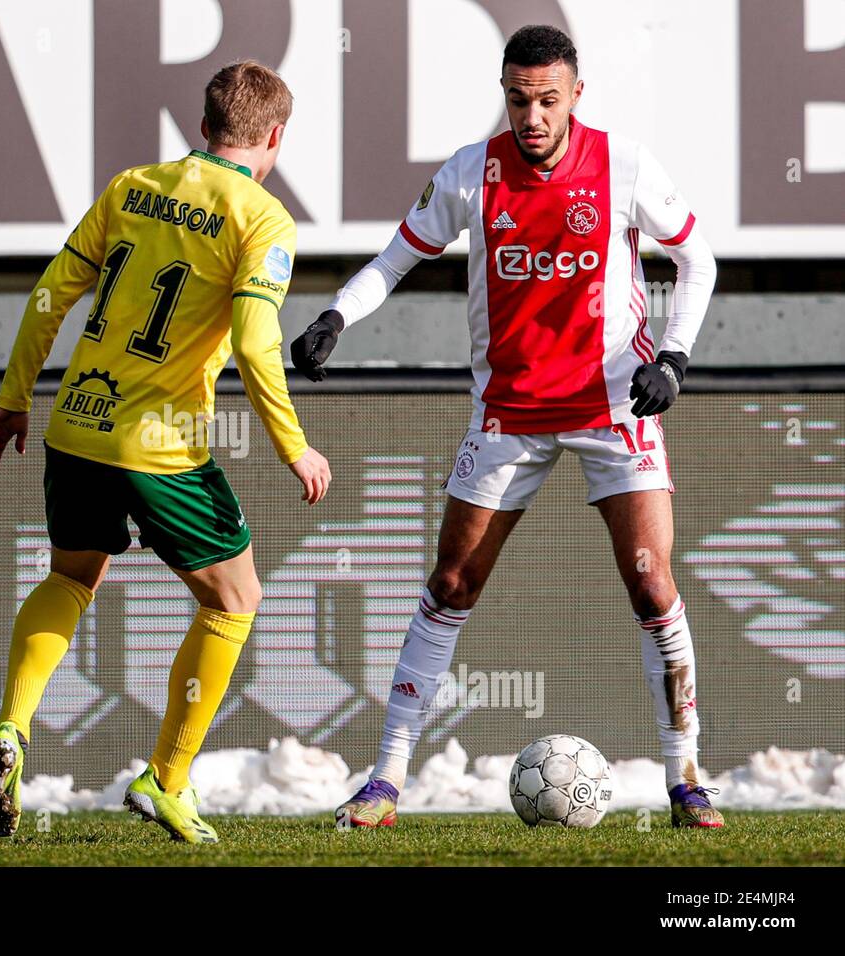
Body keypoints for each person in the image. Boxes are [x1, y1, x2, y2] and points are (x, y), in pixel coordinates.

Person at [293, 25, 722, 829]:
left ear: (575, 96)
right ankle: (385, 780)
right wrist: (334, 317)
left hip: (613, 406)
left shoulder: (624, 163)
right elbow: (393, 260)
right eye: (519, 100)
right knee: (451, 584)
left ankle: (686, 778)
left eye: (547, 100)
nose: (531, 116)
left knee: (651, 581)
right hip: (509, 413)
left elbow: (697, 257)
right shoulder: (470, 172)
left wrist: (674, 357)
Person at [0, 60, 331, 844]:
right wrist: (293, 446)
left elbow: (50, 295)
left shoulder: (131, 186)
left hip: (75, 423)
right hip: (160, 447)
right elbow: (253, 338)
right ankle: (166, 780)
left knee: (71, 577)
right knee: (234, 601)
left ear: (202, 127)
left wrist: (13, 399)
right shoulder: (264, 220)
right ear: (275, 138)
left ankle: (11, 729)